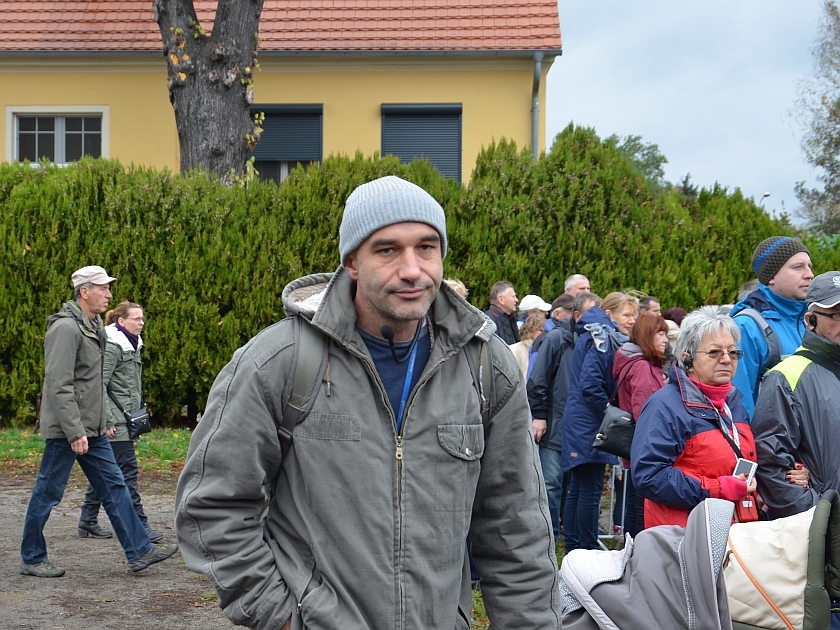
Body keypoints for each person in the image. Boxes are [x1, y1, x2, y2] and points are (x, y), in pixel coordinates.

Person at [175, 176, 560, 629]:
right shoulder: (277, 363)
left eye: (427, 247)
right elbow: (212, 505)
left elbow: (516, 527)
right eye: (388, 250)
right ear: (352, 262)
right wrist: (280, 618)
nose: (413, 269)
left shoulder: (485, 366)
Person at [20, 267, 177, 578]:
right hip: (69, 430)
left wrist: (102, 421)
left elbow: (93, 384)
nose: (109, 294)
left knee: (116, 486)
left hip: (93, 427)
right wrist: (75, 431)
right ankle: (32, 557)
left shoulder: (93, 326)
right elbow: (59, 384)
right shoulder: (66, 328)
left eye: (108, 288)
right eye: (103, 289)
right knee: (48, 492)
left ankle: (140, 550)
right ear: (84, 291)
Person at [631, 307, 758, 528]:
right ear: (686, 358)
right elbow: (649, 477)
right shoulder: (665, 406)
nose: (727, 359)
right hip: (686, 540)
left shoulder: (734, 405)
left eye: (733, 352)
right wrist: (718, 489)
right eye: (714, 352)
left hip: (735, 534)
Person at [753, 271, 840, 518]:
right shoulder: (785, 376)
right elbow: (771, 463)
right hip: (822, 532)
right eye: (837, 314)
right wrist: (817, 515)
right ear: (810, 320)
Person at [77, 301, 163, 543]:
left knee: (109, 470)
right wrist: (106, 420)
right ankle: (140, 525)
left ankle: (88, 519)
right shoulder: (114, 346)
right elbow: (98, 385)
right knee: (127, 471)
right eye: (136, 318)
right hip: (116, 421)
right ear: (121, 321)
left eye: (142, 318)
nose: (141, 322)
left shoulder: (133, 344)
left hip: (127, 418)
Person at [560, 291, 638, 551]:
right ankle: (586, 548)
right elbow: (591, 384)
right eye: (626, 314)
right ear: (610, 314)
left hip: (582, 419)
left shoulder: (598, 334)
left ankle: (575, 547)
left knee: (581, 487)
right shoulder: (601, 337)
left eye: (634, 315)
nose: (631, 320)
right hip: (589, 422)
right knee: (590, 490)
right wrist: (610, 413)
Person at [527, 291, 600, 539]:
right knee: (551, 483)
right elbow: (538, 380)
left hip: (579, 426)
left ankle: (562, 534)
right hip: (555, 422)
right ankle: (544, 536)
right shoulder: (557, 339)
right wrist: (539, 415)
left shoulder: (595, 341)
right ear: (577, 315)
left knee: (572, 486)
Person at [729, 236, 814, 416]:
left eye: (809, 266)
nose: (809, 274)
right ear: (771, 276)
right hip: (775, 443)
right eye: (798, 267)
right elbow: (740, 403)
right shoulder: (746, 327)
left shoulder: (809, 320)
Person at [611, 312, 669, 537]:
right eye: (660, 334)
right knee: (639, 508)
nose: (665, 339)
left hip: (639, 447)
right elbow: (644, 411)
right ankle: (637, 556)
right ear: (647, 336)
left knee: (636, 504)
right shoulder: (643, 367)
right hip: (645, 446)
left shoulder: (639, 363)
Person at [509, 313, 546, 380]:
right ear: (531, 330)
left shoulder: (544, 350)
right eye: (541, 330)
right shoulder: (514, 349)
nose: (544, 334)